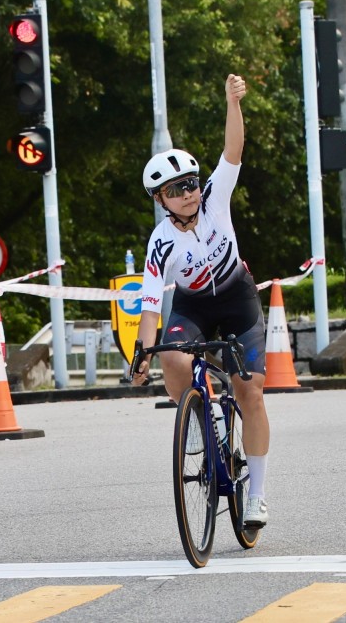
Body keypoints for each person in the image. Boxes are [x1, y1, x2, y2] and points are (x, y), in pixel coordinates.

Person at [131, 74, 270, 528]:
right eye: (175, 189)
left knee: (250, 392)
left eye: (189, 182)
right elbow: (151, 304)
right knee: (170, 354)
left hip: (237, 299)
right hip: (194, 306)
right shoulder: (160, 241)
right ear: (161, 200)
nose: (188, 192)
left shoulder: (214, 198)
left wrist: (233, 103)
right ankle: (197, 411)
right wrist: (141, 354)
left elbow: (233, 151)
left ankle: (257, 497)